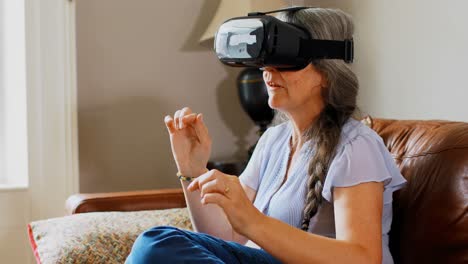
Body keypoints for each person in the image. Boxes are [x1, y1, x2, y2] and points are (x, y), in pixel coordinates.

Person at [126, 7, 406, 264]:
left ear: (326, 73)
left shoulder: (356, 147)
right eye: (265, 61)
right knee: (157, 242)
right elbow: (227, 237)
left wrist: (252, 221)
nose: (268, 72)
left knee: (158, 244)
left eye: (284, 61)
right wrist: (192, 170)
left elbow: (363, 258)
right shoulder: (273, 141)